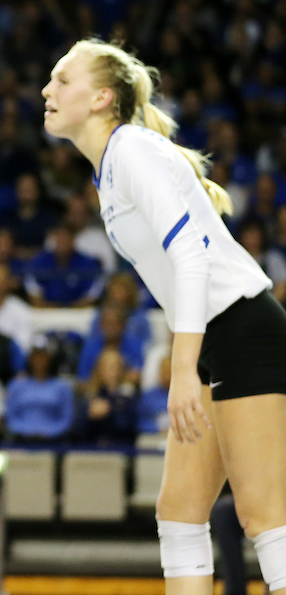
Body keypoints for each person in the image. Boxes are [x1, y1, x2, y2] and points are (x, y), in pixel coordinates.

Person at [43, 39, 286, 594]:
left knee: (264, 517)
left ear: (102, 97)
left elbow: (192, 255)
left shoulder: (130, 149)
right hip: (215, 336)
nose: (46, 90)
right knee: (179, 513)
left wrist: (183, 370)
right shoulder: (112, 165)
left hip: (245, 331)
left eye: (61, 80)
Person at [4, 340, 75, 443]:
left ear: (50, 359)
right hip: (21, 440)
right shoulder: (16, 385)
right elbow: (10, 417)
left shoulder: (61, 386)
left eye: (43, 356)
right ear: (30, 359)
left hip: (53, 441)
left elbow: (66, 419)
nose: (39, 360)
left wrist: (50, 432)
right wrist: (26, 431)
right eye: (35, 356)